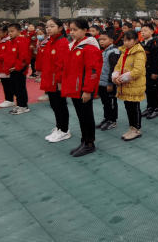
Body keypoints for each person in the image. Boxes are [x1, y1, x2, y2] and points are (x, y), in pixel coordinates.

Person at [61, 19, 103, 157]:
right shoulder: (73, 46)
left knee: (86, 116)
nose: (71, 32)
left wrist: (87, 90)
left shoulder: (90, 48)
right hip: (74, 88)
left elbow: (92, 71)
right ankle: (84, 141)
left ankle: (90, 143)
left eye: (75, 30)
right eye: (70, 29)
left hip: (83, 89)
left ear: (85, 31)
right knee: (81, 116)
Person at [112, 30, 147, 141]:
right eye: (124, 40)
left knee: (134, 108)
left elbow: (137, 70)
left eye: (129, 40)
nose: (125, 42)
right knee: (128, 107)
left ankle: (136, 129)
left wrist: (121, 79)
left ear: (136, 40)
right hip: (126, 85)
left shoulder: (139, 52)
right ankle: (131, 127)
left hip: (134, 85)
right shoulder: (124, 52)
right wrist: (116, 76)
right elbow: (118, 66)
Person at [40, 18, 71, 142]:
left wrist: (59, 82)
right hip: (49, 80)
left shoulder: (62, 42)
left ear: (60, 28)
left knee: (60, 105)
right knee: (54, 105)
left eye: (52, 26)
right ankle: (59, 127)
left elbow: (61, 65)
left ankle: (64, 130)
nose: (48, 29)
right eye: (47, 26)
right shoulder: (50, 42)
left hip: (57, 82)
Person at [3, 23, 31, 115]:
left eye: (12, 31)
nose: (10, 33)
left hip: (19, 69)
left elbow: (24, 57)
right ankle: (19, 105)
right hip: (12, 69)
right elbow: (7, 56)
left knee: (20, 87)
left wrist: (17, 67)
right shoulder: (10, 42)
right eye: (9, 31)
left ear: (19, 32)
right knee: (14, 88)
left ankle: (23, 106)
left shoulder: (22, 41)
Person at [96, 30, 121, 131]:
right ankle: (106, 118)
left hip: (109, 83)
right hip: (102, 82)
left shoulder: (113, 52)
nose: (101, 41)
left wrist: (110, 83)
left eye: (104, 39)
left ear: (111, 40)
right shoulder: (104, 51)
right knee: (104, 102)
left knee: (111, 102)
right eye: (100, 39)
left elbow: (114, 69)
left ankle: (112, 120)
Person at [140, 23, 158, 120]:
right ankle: (149, 107)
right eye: (142, 31)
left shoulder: (155, 43)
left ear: (152, 32)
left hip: (153, 72)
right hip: (145, 71)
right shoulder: (143, 43)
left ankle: (156, 109)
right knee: (148, 90)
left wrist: (155, 72)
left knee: (154, 90)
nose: (142, 32)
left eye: (145, 31)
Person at [0, 25, 14, 109]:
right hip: (0, 66)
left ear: (5, 32)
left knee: (7, 84)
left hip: (5, 66)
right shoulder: (1, 41)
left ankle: (10, 100)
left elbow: (8, 54)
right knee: (4, 83)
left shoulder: (7, 41)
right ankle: (8, 99)